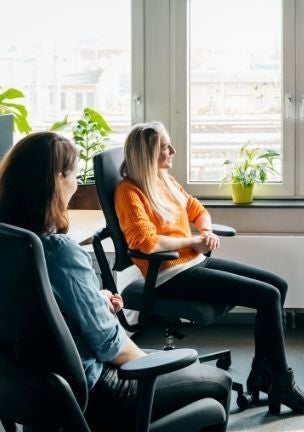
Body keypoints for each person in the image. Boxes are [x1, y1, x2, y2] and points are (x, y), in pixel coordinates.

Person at [0, 131, 232, 432]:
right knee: (218, 382)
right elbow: (110, 345)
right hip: (97, 391)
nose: (77, 185)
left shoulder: (14, 243)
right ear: (58, 179)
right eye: (75, 176)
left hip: (34, 392)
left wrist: (94, 300)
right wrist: (151, 364)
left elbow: (39, 309)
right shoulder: (58, 251)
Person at [114, 121, 304, 415]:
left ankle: (263, 374)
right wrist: (193, 241)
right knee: (268, 296)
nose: (173, 151)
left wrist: (206, 231)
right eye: (165, 147)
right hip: (170, 275)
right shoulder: (129, 192)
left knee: (278, 285)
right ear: (147, 154)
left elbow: (197, 209)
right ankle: (280, 382)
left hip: (194, 261)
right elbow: (146, 242)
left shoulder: (164, 180)